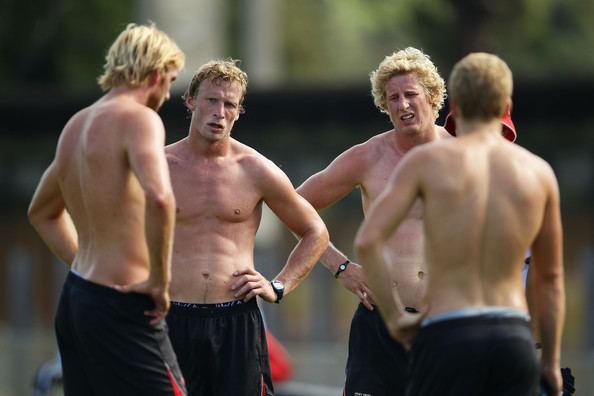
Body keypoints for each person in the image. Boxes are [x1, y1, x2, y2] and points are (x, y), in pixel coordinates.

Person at [355, 52, 565, 395]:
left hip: (450, 333)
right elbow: (551, 278)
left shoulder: (427, 163)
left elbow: (368, 242)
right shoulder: (538, 172)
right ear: (505, 103)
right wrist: (550, 362)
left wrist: (394, 320)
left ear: (455, 104)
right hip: (512, 335)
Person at [27, 23, 187, 395]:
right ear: (156, 74)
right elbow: (161, 198)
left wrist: (87, 272)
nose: (166, 96)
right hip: (126, 303)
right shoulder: (139, 119)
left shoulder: (77, 125)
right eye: (170, 82)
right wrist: (159, 283)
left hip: (78, 299)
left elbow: (41, 212)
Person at [164, 59, 329, 396]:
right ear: (190, 101)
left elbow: (316, 232)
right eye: (211, 100)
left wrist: (279, 286)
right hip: (171, 318)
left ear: (239, 111)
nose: (219, 112)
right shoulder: (158, 166)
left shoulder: (257, 170)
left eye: (229, 104)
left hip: (236, 320)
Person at [297, 47, 449, 396]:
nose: (403, 105)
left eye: (411, 94)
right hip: (379, 320)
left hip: (442, 320)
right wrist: (341, 267)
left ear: (433, 96)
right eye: (393, 98)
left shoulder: (462, 155)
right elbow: (294, 205)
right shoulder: (367, 157)